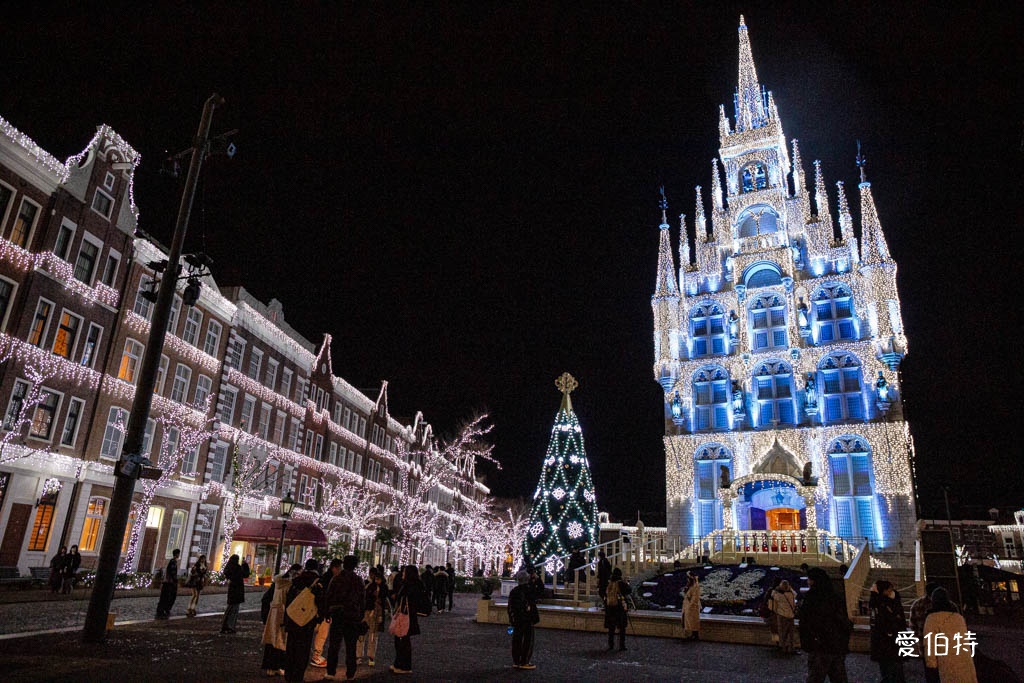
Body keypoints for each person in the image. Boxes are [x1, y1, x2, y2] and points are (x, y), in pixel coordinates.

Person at [797, 567, 853, 683]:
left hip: (820, 645)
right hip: (837, 645)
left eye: (809, 579)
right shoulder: (835, 596)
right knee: (839, 677)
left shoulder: (812, 597)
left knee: (816, 677)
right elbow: (844, 621)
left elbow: (806, 621)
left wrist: (810, 640)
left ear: (813, 581)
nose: (808, 581)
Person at [323, 555, 365, 681]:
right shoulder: (358, 580)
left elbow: (329, 596)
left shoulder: (336, 579)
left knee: (334, 644)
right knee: (351, 646)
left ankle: (331, 671)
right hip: (352, 615)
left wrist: (327, 613)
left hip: (338, 614)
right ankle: (350, 673)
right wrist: (361, 615)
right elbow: (362, 600)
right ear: (355, 566)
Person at [923, 587, 977, 683]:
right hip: (964, 658)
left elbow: (930, 643)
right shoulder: (958, 617)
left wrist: (931, 663)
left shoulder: (932, 618)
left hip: (946, 659)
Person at [283, 558, 324, 683]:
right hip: (307, 620)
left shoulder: (297, 580)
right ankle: (298, 675)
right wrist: (320, 618)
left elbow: (288, 598)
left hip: (293, 617)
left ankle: (288, 673)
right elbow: (321, 601)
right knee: (303, 647)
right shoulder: (317, 582)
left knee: (291, 645)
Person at [262, 564, 298, 676]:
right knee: (280, 641)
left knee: (272, 641)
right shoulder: (290, 585)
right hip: (283, 614)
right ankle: (276, 666)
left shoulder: (277, 583)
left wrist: (266, 614)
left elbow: (265, 599)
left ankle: (271, 667)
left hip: (273, 614)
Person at [869, 580, 907, 683]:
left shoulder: (883, 601)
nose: (891, 590)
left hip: (889, 638)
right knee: (890, 665)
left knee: (892, 665)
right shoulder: (879, 602)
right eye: (889, 589)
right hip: (887, 638)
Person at [391, 565, 425, 675]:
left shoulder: (409, 586)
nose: (403, 574)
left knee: (402, 640)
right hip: (409, 615)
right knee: (402, 640)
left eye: (405, 572)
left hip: (406, 616)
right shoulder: (417, 584)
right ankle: (399, 664)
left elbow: (405, 598)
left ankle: (404, 666)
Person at [311, 558, 343, 668]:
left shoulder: (324, 577)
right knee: (322, 633)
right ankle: (316, 656)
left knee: (318, 632)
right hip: (324, 611)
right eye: (339, 568)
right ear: (335, 568)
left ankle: (316, 655)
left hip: (317, 609)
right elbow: (328, 597)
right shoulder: (331, 579)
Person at [507, 570, 539, 669]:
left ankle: (516, 661)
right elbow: (537, 595)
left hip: (517, 619)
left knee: (517, 640)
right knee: (527, 640)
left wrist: (512, 620)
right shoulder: (529, 590)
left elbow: (510, 607)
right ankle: (524, 661)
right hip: (527, 619)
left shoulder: (514, 591)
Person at [358, 567, 385, 667]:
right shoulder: (374, 586)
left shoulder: (369, 585)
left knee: (365, 633)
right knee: (371, 634)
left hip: (369, 611)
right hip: (373, 611)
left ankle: (361, 656)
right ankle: (369, 656)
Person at [220, 554, 251, 634]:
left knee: (229, 608)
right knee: (234, 610)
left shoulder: (229, 568)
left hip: (232, 590)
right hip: (238, 590)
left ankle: (225, 626)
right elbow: (246, 574)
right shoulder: (237, 568)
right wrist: (245, 564)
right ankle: (230, 626)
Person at [909, 582, 938, 658]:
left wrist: (917, 634)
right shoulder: (945, 604)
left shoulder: (917, 604)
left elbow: (912, 623)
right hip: (942, 639)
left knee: (927, 662)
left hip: (923, 637)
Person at [771, 579, 798, 654]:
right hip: (791, 616)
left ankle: (783, 648)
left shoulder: (779, 595)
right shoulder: (792, 594)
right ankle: (791, 648)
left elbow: (772, 595)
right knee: (791, 633)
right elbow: (795, 594)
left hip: (782, 615)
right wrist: (790, 588)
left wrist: (776, 589)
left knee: (782, 633)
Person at [156, 548, 180, 619]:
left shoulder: (173, 561)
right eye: (178, 554)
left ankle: (163, 609)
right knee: (168, 596)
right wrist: (175, 580)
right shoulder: (173, 562)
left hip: (169, 582)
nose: (179, 555)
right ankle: (163, 609)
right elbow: (172, 573)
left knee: (166, 597)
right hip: (169, 583)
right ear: (176, 554)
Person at [681, 572, 701, 641]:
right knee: (689, 621)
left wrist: (690, 605)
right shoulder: (690, 585)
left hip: (692, 606)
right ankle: (692, 634)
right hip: (687, 606)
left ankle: (695, 635)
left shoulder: (696, 586)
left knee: (693, 621)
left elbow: (695, 598)